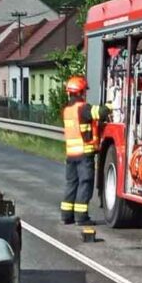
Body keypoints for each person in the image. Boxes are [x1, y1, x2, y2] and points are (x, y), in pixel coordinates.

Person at [60, 76, 106, 225]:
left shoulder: (67, 110)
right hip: (84, 154)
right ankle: (81, 217)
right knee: (85, 183)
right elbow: (100, 112)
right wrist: (111, 106)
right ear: (80, 92)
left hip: (71, 155)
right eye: (83, 92)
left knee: (71, 184)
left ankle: (67, 216)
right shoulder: (83, 108)